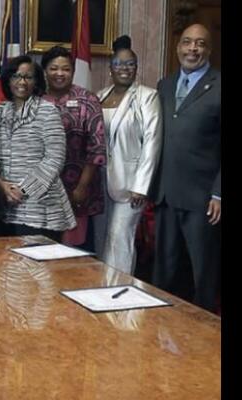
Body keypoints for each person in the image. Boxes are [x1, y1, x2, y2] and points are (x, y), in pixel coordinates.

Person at [150, 24, 221, 312]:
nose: (193, 49)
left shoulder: (219, 85)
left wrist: (219, 194)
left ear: (209, 50)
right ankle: (162, 324)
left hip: (202, 198)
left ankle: (204, 331)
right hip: (166, 193)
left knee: (202, 271)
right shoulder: (164, 85)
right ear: (178, 47)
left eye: (200, 44)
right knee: (163, 269)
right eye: (187, 43)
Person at [95, 36, 161, 275]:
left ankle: (120, 294)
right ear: (111, 68)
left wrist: (142, 186)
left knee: (120, 237)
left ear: (137, 68)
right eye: (119, 64)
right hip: (100, 181)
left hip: (131, 184)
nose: (124, 68)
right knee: (102, 238)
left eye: (130, 64)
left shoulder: (147, 97)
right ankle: (100, 290)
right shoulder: (100, 96)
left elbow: (152, 142)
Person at [0, 55, 76, 240]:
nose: (21, 82)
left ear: (36, 81)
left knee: (38, 268)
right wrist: (2, 185)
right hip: (7, 207)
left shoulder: (47, 110)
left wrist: (22, 190)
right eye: (16, 76)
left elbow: (54, 158)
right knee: (8, 266)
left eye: (28, 77)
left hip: (40, 207)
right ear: (7, 79)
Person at [41, 46, 107, 250]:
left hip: (77, 190)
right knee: (41, 251)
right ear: (44, 71)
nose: (59, 74)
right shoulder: (34, 99)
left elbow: (97, 148)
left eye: (66, 69)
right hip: (42, 192)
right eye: (54, 68)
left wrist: (82, 187)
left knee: (75, 252)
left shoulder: (87, 99)